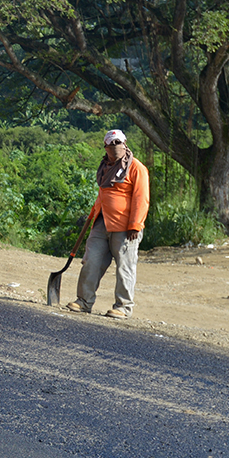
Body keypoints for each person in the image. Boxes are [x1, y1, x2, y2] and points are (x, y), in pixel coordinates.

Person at [66, 129, 150, 319]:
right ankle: (84, 301)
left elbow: (141, 198)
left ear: (125, 143)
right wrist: (93, 216)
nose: (115, 147)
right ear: (105, 147)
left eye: (118, 143)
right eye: (111, 144)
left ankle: (123, 306)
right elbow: (103, 194)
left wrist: (135, 225)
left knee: (124, 268)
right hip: (102, 223)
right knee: (91, 261)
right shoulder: (104, 167)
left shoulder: (136, 168)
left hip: (126, 228)